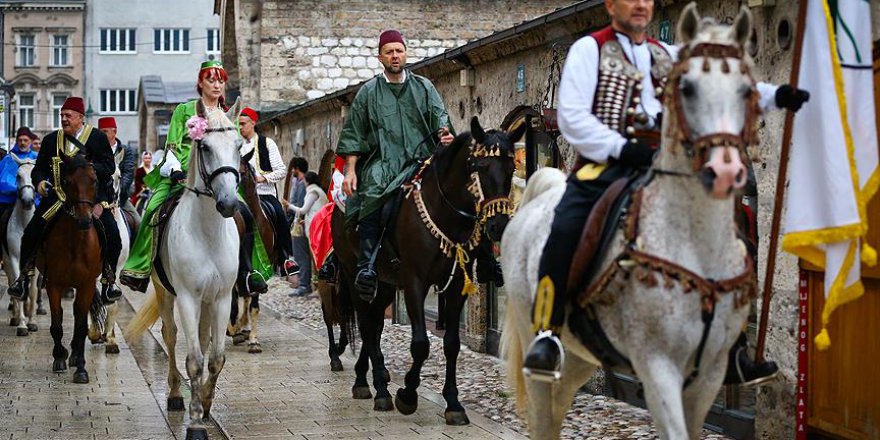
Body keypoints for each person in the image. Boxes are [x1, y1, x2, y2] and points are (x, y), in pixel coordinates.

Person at [522, 0, 811, 385]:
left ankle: (732, 345)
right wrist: (623, 148)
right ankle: (548, 333)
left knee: (733, 222)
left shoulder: (671, 55)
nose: (641, 4)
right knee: (566, 228)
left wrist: (777, 96)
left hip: (665, 164)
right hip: (604, 165)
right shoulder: (588, 50)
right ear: (610, 5)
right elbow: (574, 118)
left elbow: (720, 80)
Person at [120, 60, 268, 296]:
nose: (217, 85)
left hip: (219, 178)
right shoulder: (183, 110)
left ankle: (248, 272)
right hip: (183, 175)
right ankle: (140, 268)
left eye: (220, 80)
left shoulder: (228, 115)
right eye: (211, 79)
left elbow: (233, 150)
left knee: (247, 214)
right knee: (152, 210)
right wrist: (175, 169)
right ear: (201, 83)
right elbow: (171, 147)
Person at [338, 29, 455, 299]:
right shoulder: (368, 92)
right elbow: (355, 133)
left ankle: (475, 256)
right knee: (371, 193)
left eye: (398, 51)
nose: (394, 55)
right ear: (380, 57)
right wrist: (351, 171)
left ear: (406, 54)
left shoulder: (424, 87)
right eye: (389, 51)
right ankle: (366, 265)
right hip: (384, 163)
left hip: (422, 159)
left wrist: (444, 133)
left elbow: (440, 117)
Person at [7, 97, 123, 303]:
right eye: (62, 115)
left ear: (80, 118)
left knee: (112, 233)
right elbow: (39, 169)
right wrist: (41, 182)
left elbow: (109, 167)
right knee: (32, 231)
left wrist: (87, 171)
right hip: (57, 197)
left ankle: (109, 280)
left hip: (91, 199)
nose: (64, 119)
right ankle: (23, 278)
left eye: (68, 115)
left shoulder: (96, 138)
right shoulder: (51, 140)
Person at [238, 107, 298, 276]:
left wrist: (262, 178)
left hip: (264, 193)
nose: (240, 127)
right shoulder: (235, 145)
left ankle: (286, 258)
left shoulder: (267, 143)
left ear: (253, 123)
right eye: (238, 124)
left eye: (243, 124)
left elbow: (281, 170)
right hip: (241, 195)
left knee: (279, 214)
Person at [284, 171, 328, 296]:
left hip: (315, 228)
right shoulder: (319, 191)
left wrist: (289, 205)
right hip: (318, 226)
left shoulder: (313, 191)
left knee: (315, 258)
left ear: (307, 181)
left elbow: (303, 209)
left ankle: (315, 286)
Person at [98, 117, 138, 221]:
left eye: (105, 132)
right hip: (99, 200)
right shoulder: (95, 152)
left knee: (138, 223)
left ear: (114, 131)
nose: (101, 135)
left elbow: (128, 175)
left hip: (121, 199)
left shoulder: (127, 151)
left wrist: (116, 192)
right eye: (100, 132)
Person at [0, 127, 40, 218]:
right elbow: (3, 181)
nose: (23, 143)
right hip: (9, 201)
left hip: (34, 199)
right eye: (20, 140)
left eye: (25, 140)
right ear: (17, 141)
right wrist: (19, 189)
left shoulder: (37, 157)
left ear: (30, 141)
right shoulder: (8, 158)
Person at [287, 157, 312, 292]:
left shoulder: (303, 184)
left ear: (297, 168)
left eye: (293, 168)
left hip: (300, 222)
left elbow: (300, 205)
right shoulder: (299, 182)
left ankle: (304, 284)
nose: (292, 171)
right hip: (298, 221)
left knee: (301, 254)